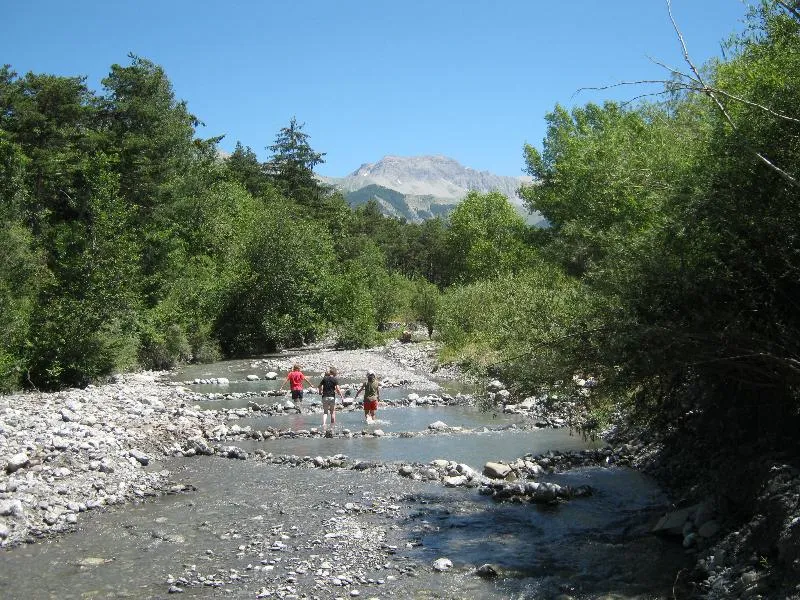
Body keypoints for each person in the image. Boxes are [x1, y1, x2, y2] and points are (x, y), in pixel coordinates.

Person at [318, 366, 345, 435]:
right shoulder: (335, 379)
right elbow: (338, 389)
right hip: (332, 397)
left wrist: (320, 392)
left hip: (324, 397)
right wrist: (342, 397)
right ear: (334, 373)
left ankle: (324, 424)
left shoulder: (324, 378)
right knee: (332, 412)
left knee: (325, 412)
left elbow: (319, 386)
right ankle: (332, 426)